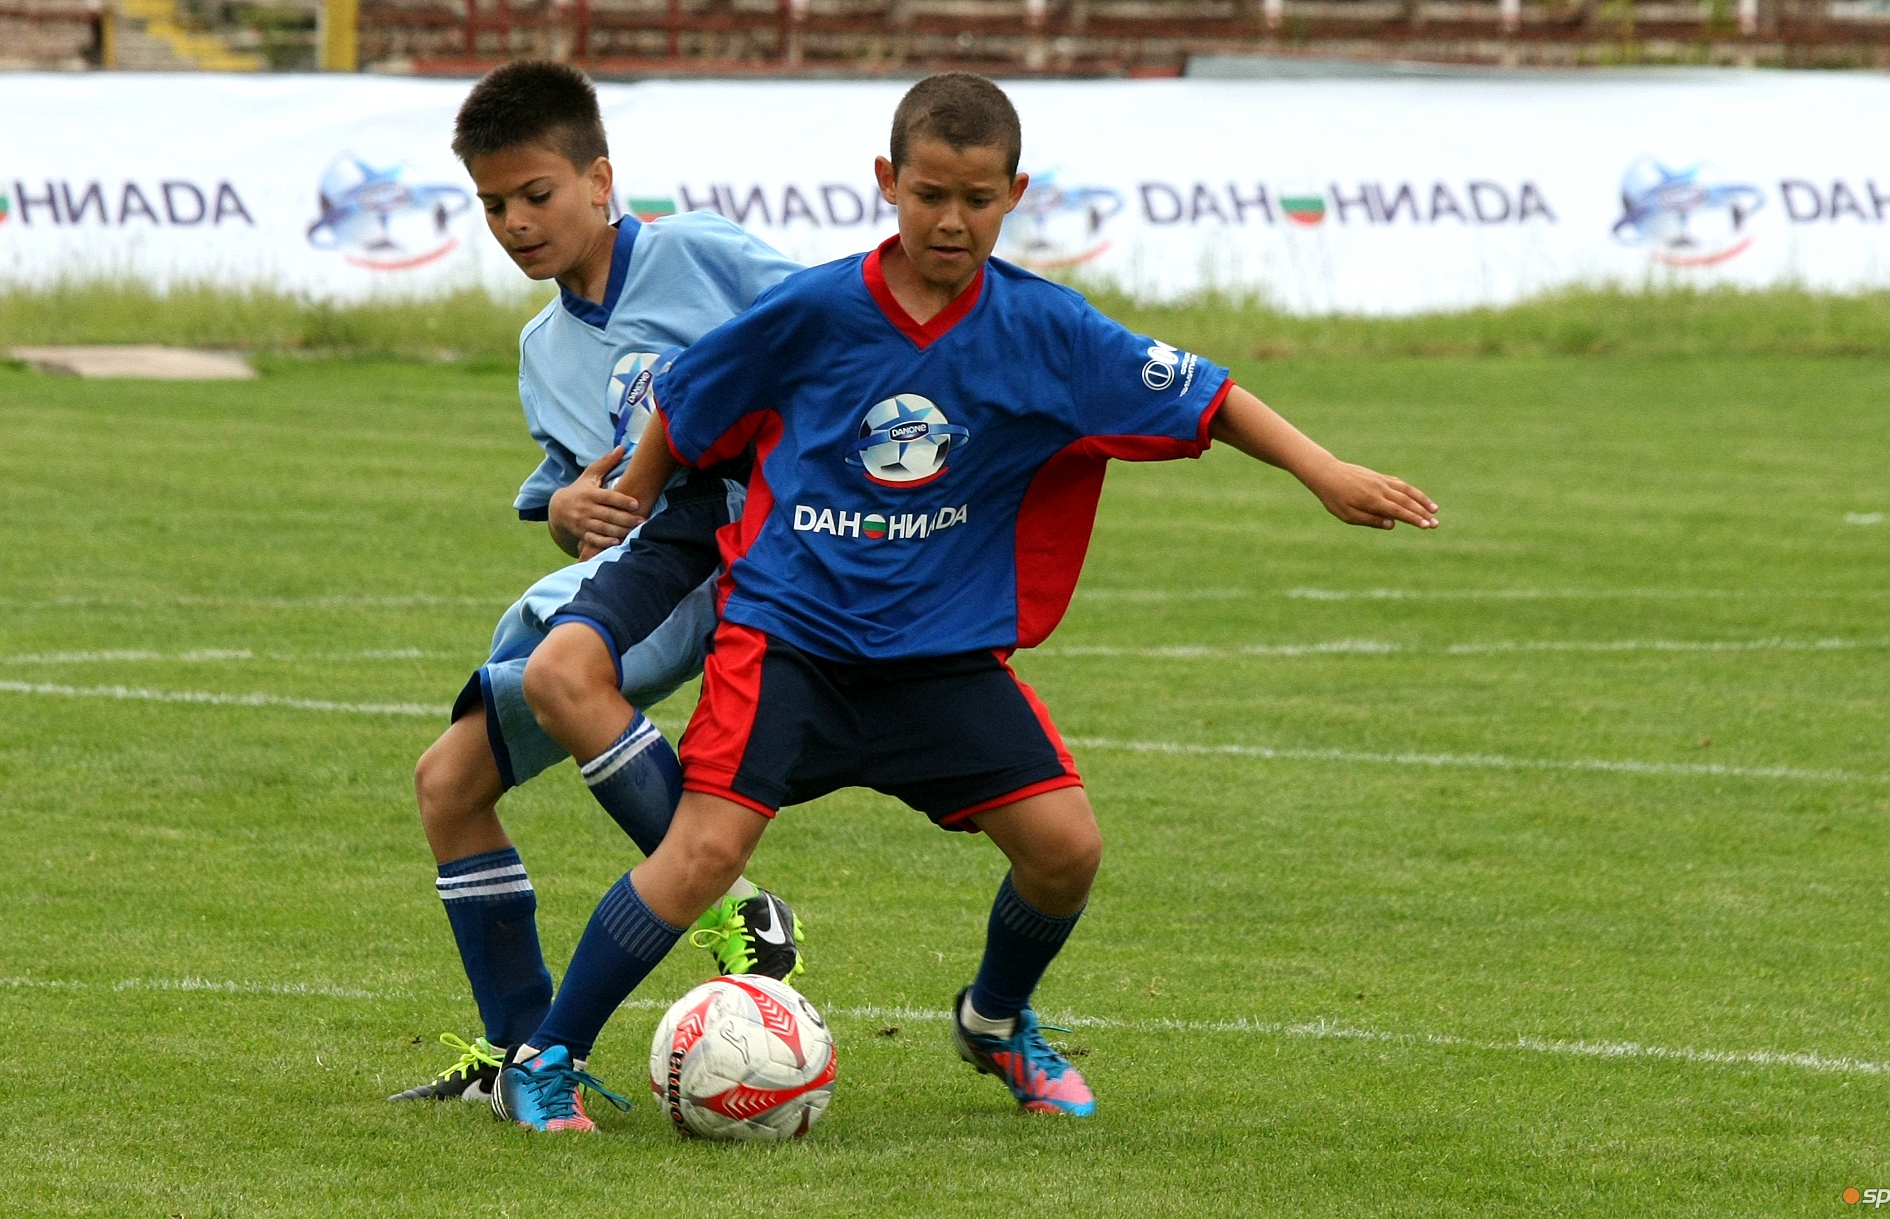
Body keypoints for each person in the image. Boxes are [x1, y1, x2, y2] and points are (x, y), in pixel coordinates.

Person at [492, 71, 1439, 1132]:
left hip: (938, 659)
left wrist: (1326, 472)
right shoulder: (811, 311)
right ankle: (546, 1059)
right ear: (887, 182)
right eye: (929, 192)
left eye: (976, 198)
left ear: (1014, 193)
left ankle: (994, 1020)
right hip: (788, 642)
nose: (950, 219)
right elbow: (687, 399)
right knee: (701, 855)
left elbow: (1207, 396)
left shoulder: (1044, 328)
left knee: (1065, 847)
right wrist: (632, 489)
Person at [391, 60, 805, 1105]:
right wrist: (559, 508)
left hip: (731, 552)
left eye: (536, 194)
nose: (516, 222)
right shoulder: (541, 348)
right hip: (634, 571)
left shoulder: (701, 254)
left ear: (599, 179)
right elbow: (572, 493)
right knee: (449, 786)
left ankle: (729, 905)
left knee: (563, 678)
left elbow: (829, 331)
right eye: (492, 204)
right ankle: (517, 1051)